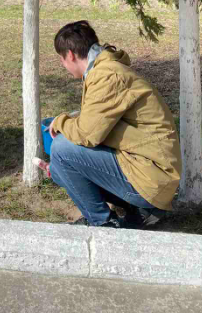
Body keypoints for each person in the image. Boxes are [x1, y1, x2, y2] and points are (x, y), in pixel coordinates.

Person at [34, 20, 181, 229]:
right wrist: (60, 168)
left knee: (60, 148)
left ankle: (103, 225)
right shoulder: (103, 70)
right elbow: (94, 128)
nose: (62, 64)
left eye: (60, 58)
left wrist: (61, 122)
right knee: (60, 167)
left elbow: (87, 134)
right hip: (146, 171)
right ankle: (135, 210)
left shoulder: (107, 76)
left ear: (70, 55)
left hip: (152, 179)